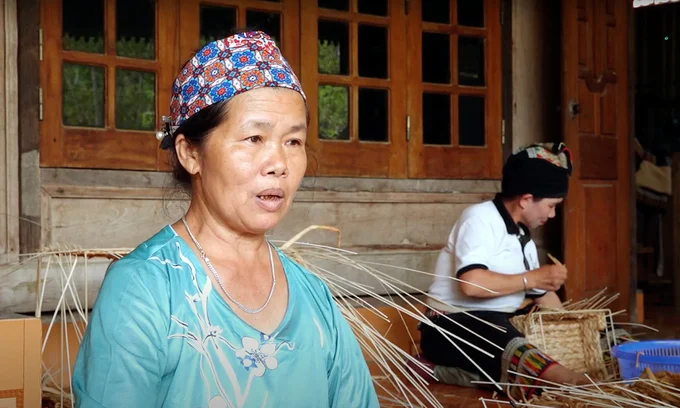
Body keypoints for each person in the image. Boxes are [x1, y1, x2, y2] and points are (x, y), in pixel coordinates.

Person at [72, 31, 379, 408]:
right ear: (190, 154)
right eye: (254, 138)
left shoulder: (314, 297)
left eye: (293, 142)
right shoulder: (145, 289)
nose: (279, 164)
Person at [416, 143, 587, 399]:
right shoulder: (479, 218)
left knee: (593, 329)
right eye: (551, 206)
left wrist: (573, 326)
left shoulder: (523, 239)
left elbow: (543, 297)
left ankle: (445, 372)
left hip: (500, 324)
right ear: (526, 200)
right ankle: (565, 380)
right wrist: (533, 278)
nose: (552, 215)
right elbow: (471, 284)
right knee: (497, 331)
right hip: (449, 328)